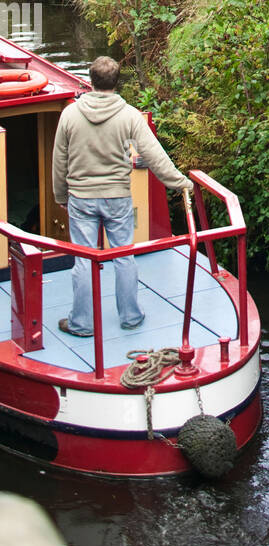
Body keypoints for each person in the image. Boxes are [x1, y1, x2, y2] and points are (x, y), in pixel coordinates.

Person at [52, 55, 193, 337]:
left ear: (91, 81)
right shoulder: (129, 115)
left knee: (84, 260)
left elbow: (60, 159)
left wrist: (60, 195)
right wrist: (180, 182)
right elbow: (155, 156)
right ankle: (130, 317)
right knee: (124, 257)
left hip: (82, 198)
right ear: (117, 83)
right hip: (117, 198)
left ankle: (82, 323)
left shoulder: (69, 114)